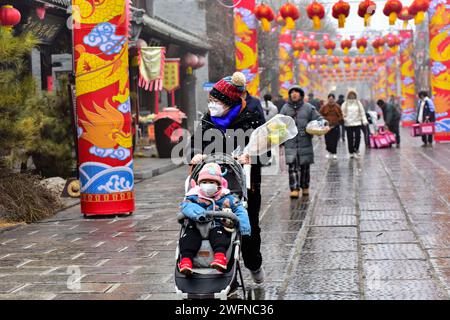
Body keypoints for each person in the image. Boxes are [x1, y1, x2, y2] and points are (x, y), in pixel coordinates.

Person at [189, 71, 265, 283]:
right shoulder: (208, 118)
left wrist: (252, 155)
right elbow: (194, 144)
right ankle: (215, 262)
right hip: (210, 178)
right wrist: (196, 154)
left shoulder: (251, 116)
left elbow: (267, 148)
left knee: (248, 224)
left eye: (215, 101)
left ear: (229, 101)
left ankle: (253, 263)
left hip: (244, 179)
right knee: (209, 221)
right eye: (210, 100)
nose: (211, 105)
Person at [178, 163, 251, 275]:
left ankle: (220, 258)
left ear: (218, 184)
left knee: (220, 237)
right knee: (188, 240)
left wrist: (244, 228)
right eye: (204, 182)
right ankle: (186, 261)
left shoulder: (226, 198)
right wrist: (200, 214)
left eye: (212, 182)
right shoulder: (193, 196)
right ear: (199, 184)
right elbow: (185, 206)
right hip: (195, 227)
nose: (208, 185)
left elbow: (240, 210)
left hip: (217, 226)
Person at [280, 85, 325, 198]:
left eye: (297, 92)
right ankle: (294, 188)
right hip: (290, 141)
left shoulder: (309, 107)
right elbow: (279, 123)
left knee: (305, 166)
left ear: (301, 94)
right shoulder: (285, 108)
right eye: (292, 92)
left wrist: (322, 124)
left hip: (305, 140)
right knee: (292, 166)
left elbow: (319, 119)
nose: (294, 94)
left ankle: (305, 186)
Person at [341, 90, 369, 158]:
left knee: (358, 137)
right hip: (348, 124)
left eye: (353, 95)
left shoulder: (358, 103)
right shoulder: (345, 103)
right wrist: (345, 119)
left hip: (357, 123)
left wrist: (364, 120)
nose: (352, 96)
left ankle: (356, 150)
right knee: (350, 138)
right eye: (350, 95)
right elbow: (342, 113)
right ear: (348, 95)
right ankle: (351, 152)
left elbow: (362, 112)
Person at [320, 93, 344, 159]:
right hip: (327, 126)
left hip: (335, 126)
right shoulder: (324, 107)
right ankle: (329, 151)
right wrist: (324, 120)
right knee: (327, 140)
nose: (331, 100)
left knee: (334, 140)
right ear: (328, 99)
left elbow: (341, 115)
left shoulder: (337, 106)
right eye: (329, 99)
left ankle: (334, 152)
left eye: (332, 99)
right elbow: (320, 114)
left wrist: (338, 120)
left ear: (334, 99)